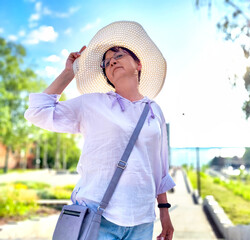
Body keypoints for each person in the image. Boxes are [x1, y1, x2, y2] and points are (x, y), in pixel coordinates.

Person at [24, 21, 175, 240]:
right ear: (107, 74)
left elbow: (160, 169)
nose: (112, 60)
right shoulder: (92, 104)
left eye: (119, 55)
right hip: (97, 217)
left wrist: (165, 214)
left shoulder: (154, 111)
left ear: (138, 64)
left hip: (142, 221)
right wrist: (69, 73)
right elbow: (37, 111)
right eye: (107, 61)